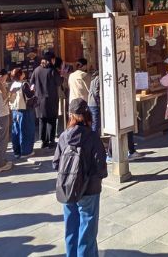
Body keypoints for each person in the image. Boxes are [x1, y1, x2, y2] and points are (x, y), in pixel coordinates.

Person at [54, 99, 108, 257]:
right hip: (90, 189)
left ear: (70, 115)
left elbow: (56, 163)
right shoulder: (92, 136)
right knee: (87, 231)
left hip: (67, 188)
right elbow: (100, 166)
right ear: (87, 114)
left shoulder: (64, 136)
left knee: (71, 228)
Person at [87, 67, 140, 161]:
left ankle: (114, 152)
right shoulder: (100, 78)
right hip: (98, 105)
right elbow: (97, 93)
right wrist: (102, 105)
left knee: (104, 127)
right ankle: (99, 148)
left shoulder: (96, 77)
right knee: (98, 125)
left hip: (97, 104)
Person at [32, 51, 62, 149]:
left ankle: (43, 141)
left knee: (42, 120)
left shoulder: (36, 70)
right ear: (51, 60)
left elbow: (32, 82)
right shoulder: (52, 70)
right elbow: (59, 82)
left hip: (39, 100)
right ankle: (51, 141)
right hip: (51, 99)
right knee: (51, 120)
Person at [10, 68, 37, 158]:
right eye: (22, 73)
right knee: (26, 131)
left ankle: (17, 151)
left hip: (15, 110)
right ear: (20, 75)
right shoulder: (24, 84)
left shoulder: (13, 84)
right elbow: (29, 95)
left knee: (16, 131)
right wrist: (32, 89)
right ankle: (26, 151)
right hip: (24, 110)